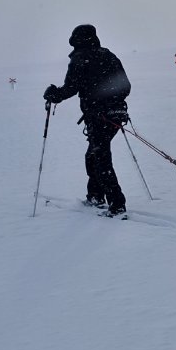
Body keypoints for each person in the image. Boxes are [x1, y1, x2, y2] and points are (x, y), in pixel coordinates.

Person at [44, 24, 131, 216]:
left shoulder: (80, 58)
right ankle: (96, 196)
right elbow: (125, 86)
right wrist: (112, 102)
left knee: (100, 159)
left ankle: (116, 204)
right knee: (94, 156)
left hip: (98, 116)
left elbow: (71, 88)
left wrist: (53, 94)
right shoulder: (109, 56)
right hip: (116, 115)